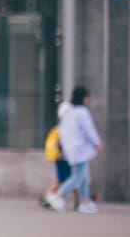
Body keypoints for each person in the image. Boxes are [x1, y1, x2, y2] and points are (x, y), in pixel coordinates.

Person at [46, 86, 102, 214]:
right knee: (78, 175)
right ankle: (58, 196)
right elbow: (90, 130)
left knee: (84, 176)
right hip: (80, 149)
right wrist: (97, 143)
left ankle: (85, 201)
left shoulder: (68, 113)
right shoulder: (82, 112)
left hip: (72, 150)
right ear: (84, 98)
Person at [40, 101, 71, 209]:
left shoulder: (61, 127)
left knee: (68, 179)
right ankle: (46, 197)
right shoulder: (65, 128)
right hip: (64, 158)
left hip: (62, 158)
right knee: (62, 180)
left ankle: (79, 202)